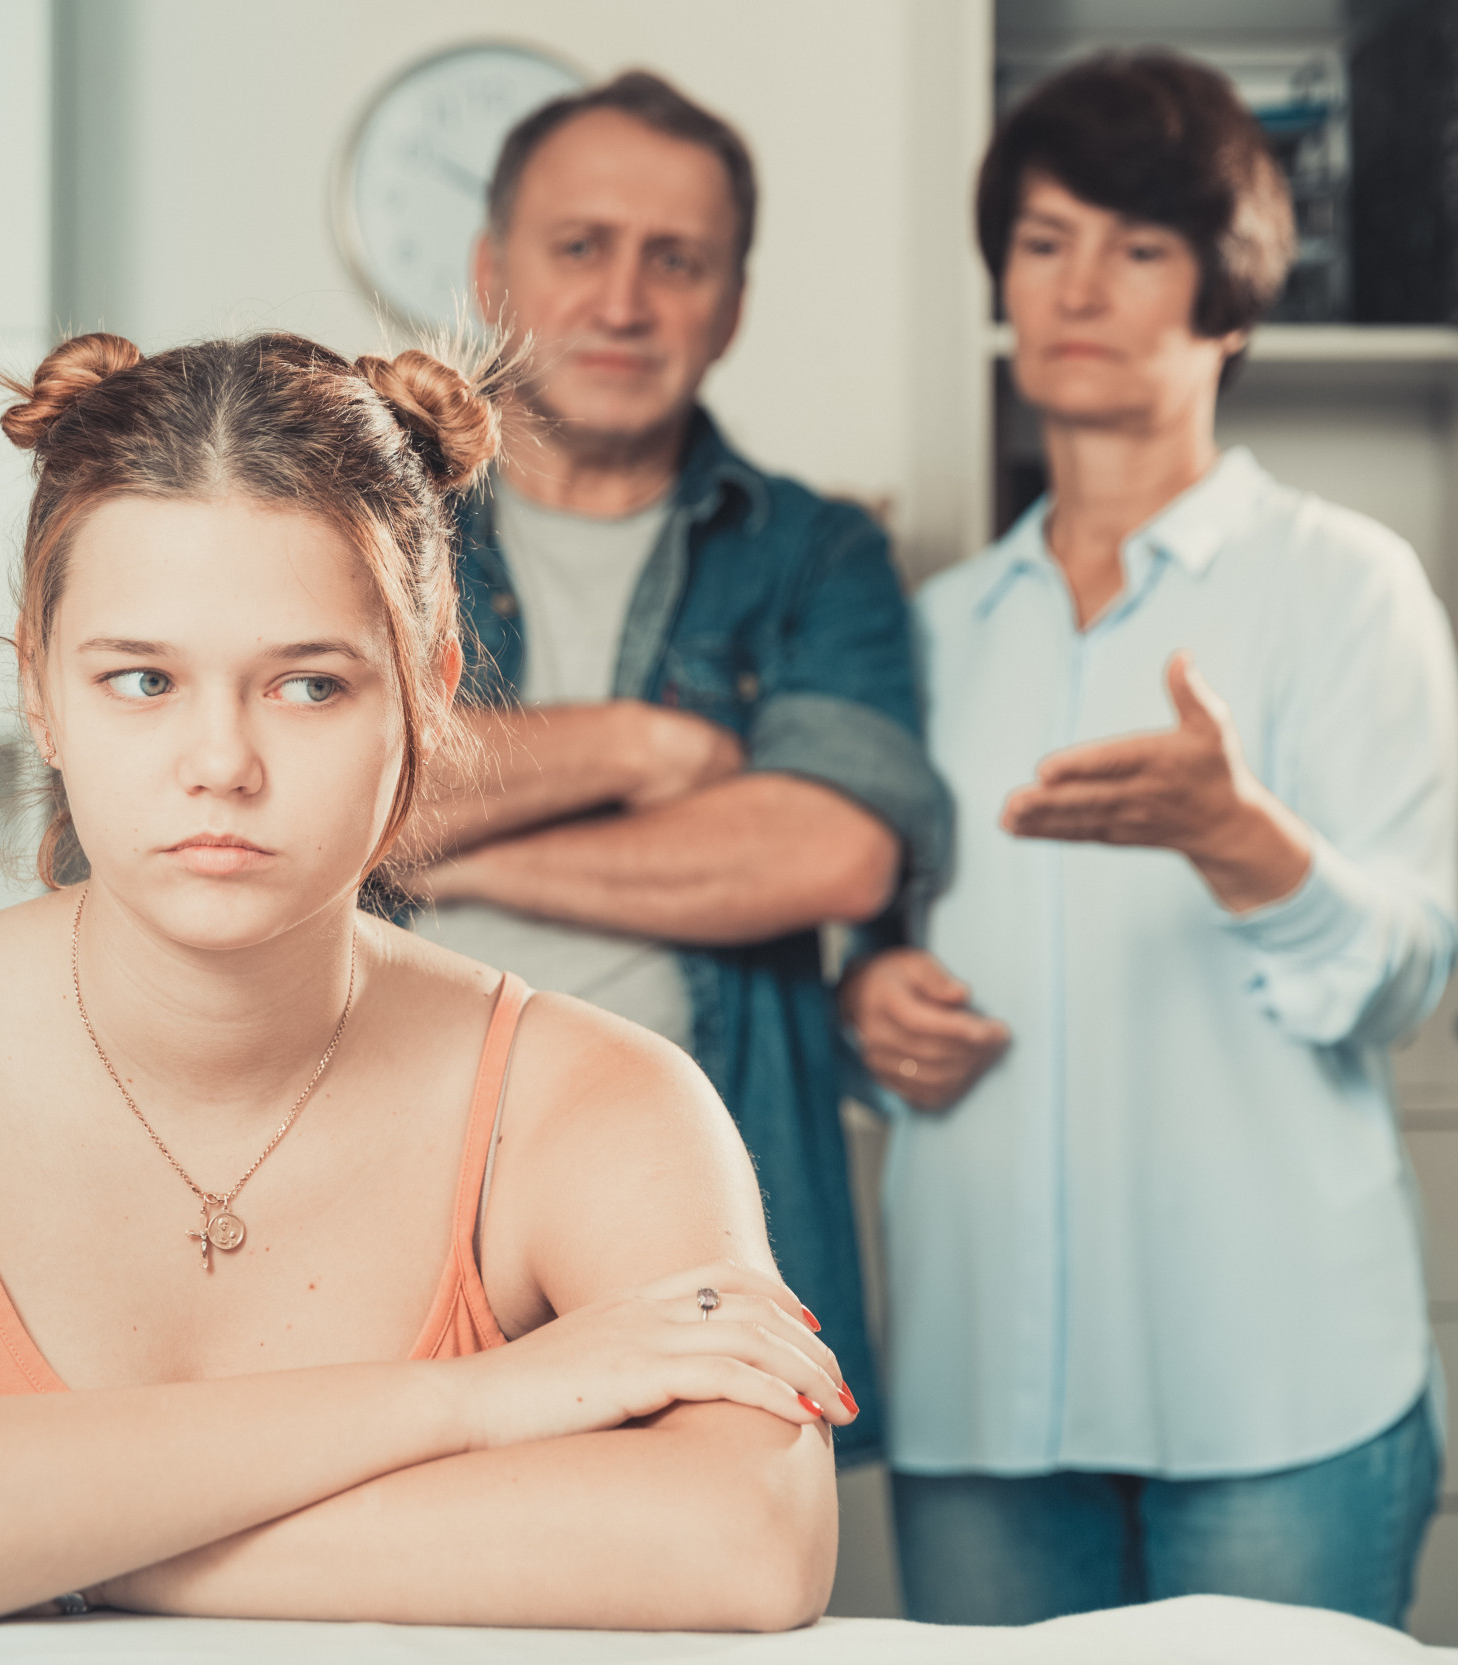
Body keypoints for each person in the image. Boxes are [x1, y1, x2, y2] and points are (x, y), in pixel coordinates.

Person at [0, 330, 856, 1634]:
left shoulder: (600, 1095)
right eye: (142, 679)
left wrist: (14, 1546)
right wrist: (465, 1402)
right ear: (39, 692)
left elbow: (749, 1542)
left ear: (426, 692)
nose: (219, 761)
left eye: (307, 683)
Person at [840, 52, 1458, 1627]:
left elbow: (1403, 969)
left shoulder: (1347, 587)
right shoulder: (929, 631)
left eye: (1137, 246)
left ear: (1229, 294)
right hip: (988, 1385)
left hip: (1278, 1387)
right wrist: (867, 1010)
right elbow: (873, 937)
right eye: (1044, 242)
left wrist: (1243, 842)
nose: (1079, 287)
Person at [411, 70, 949, 1467]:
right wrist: (630, 748)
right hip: (377, 1200)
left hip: (695, 1230)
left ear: (733, 302)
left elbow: (830, 854)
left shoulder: (817, 555)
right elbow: (272, 796)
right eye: (578, 246)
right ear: (490, 270)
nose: (623, 300)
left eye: (678, 260)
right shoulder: (365, 530)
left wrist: (433, 834)